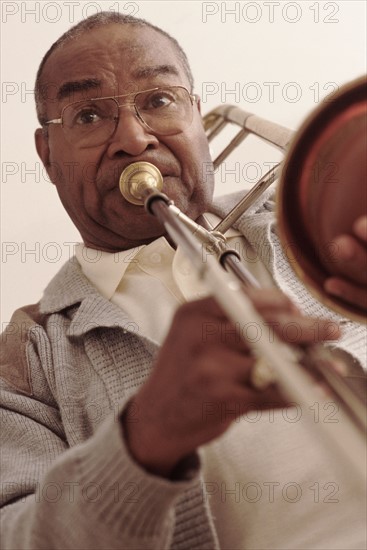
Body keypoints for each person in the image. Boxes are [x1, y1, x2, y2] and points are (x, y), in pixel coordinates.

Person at [1, 12, 366, 550]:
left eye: (159, 100)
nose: (133, 138)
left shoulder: (313, 217)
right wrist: (146, 436)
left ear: (198, 114)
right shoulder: (26, 360)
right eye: (87, 115)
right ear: (47, 155)